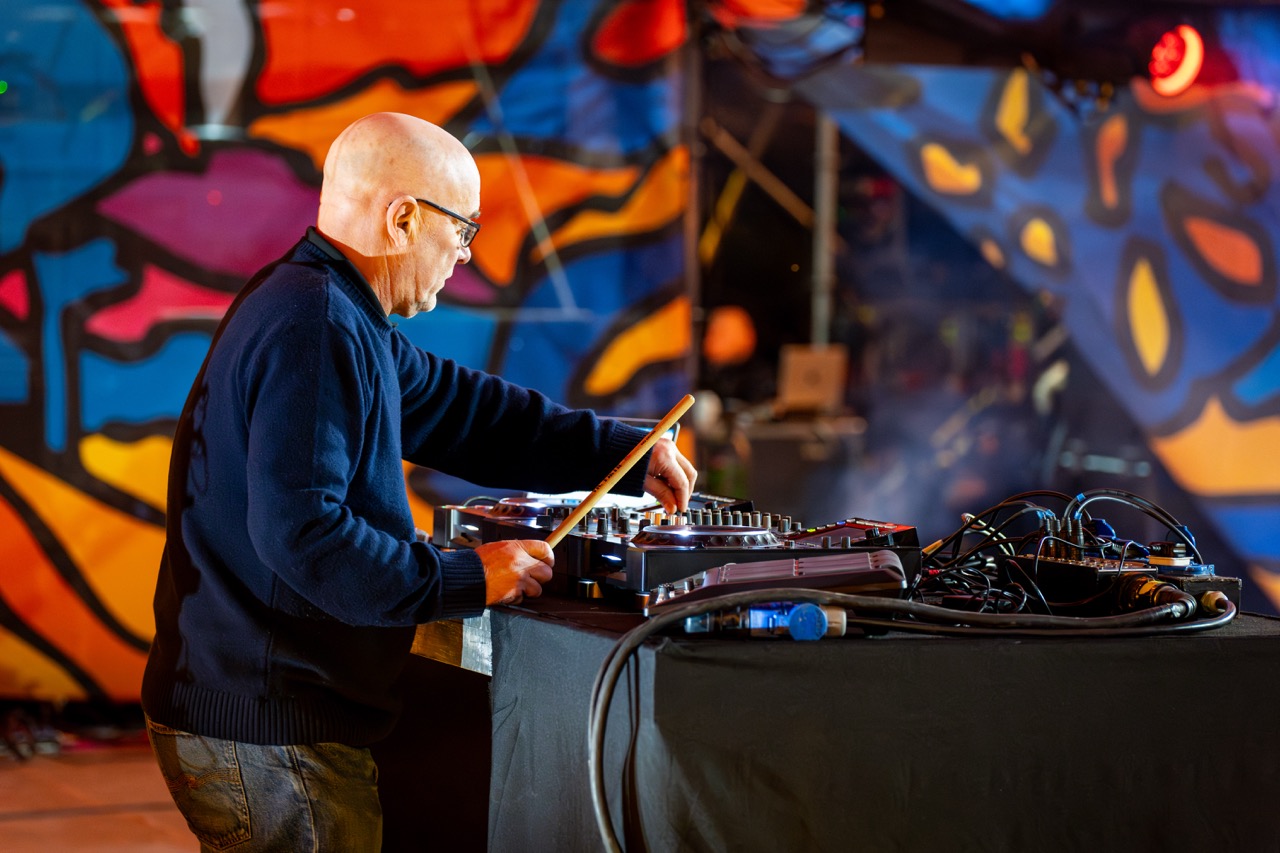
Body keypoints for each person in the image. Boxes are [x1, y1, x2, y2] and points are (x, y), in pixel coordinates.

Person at [140, 112, 697, 850]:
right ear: (403, 218)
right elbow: (305, 537)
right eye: (462, 229)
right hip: (271, 730)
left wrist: (622, 453)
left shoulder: (324, 306)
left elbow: (465, 411)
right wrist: (467, 577)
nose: (464, 253)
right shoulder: (317, 324)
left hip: (258, 716)